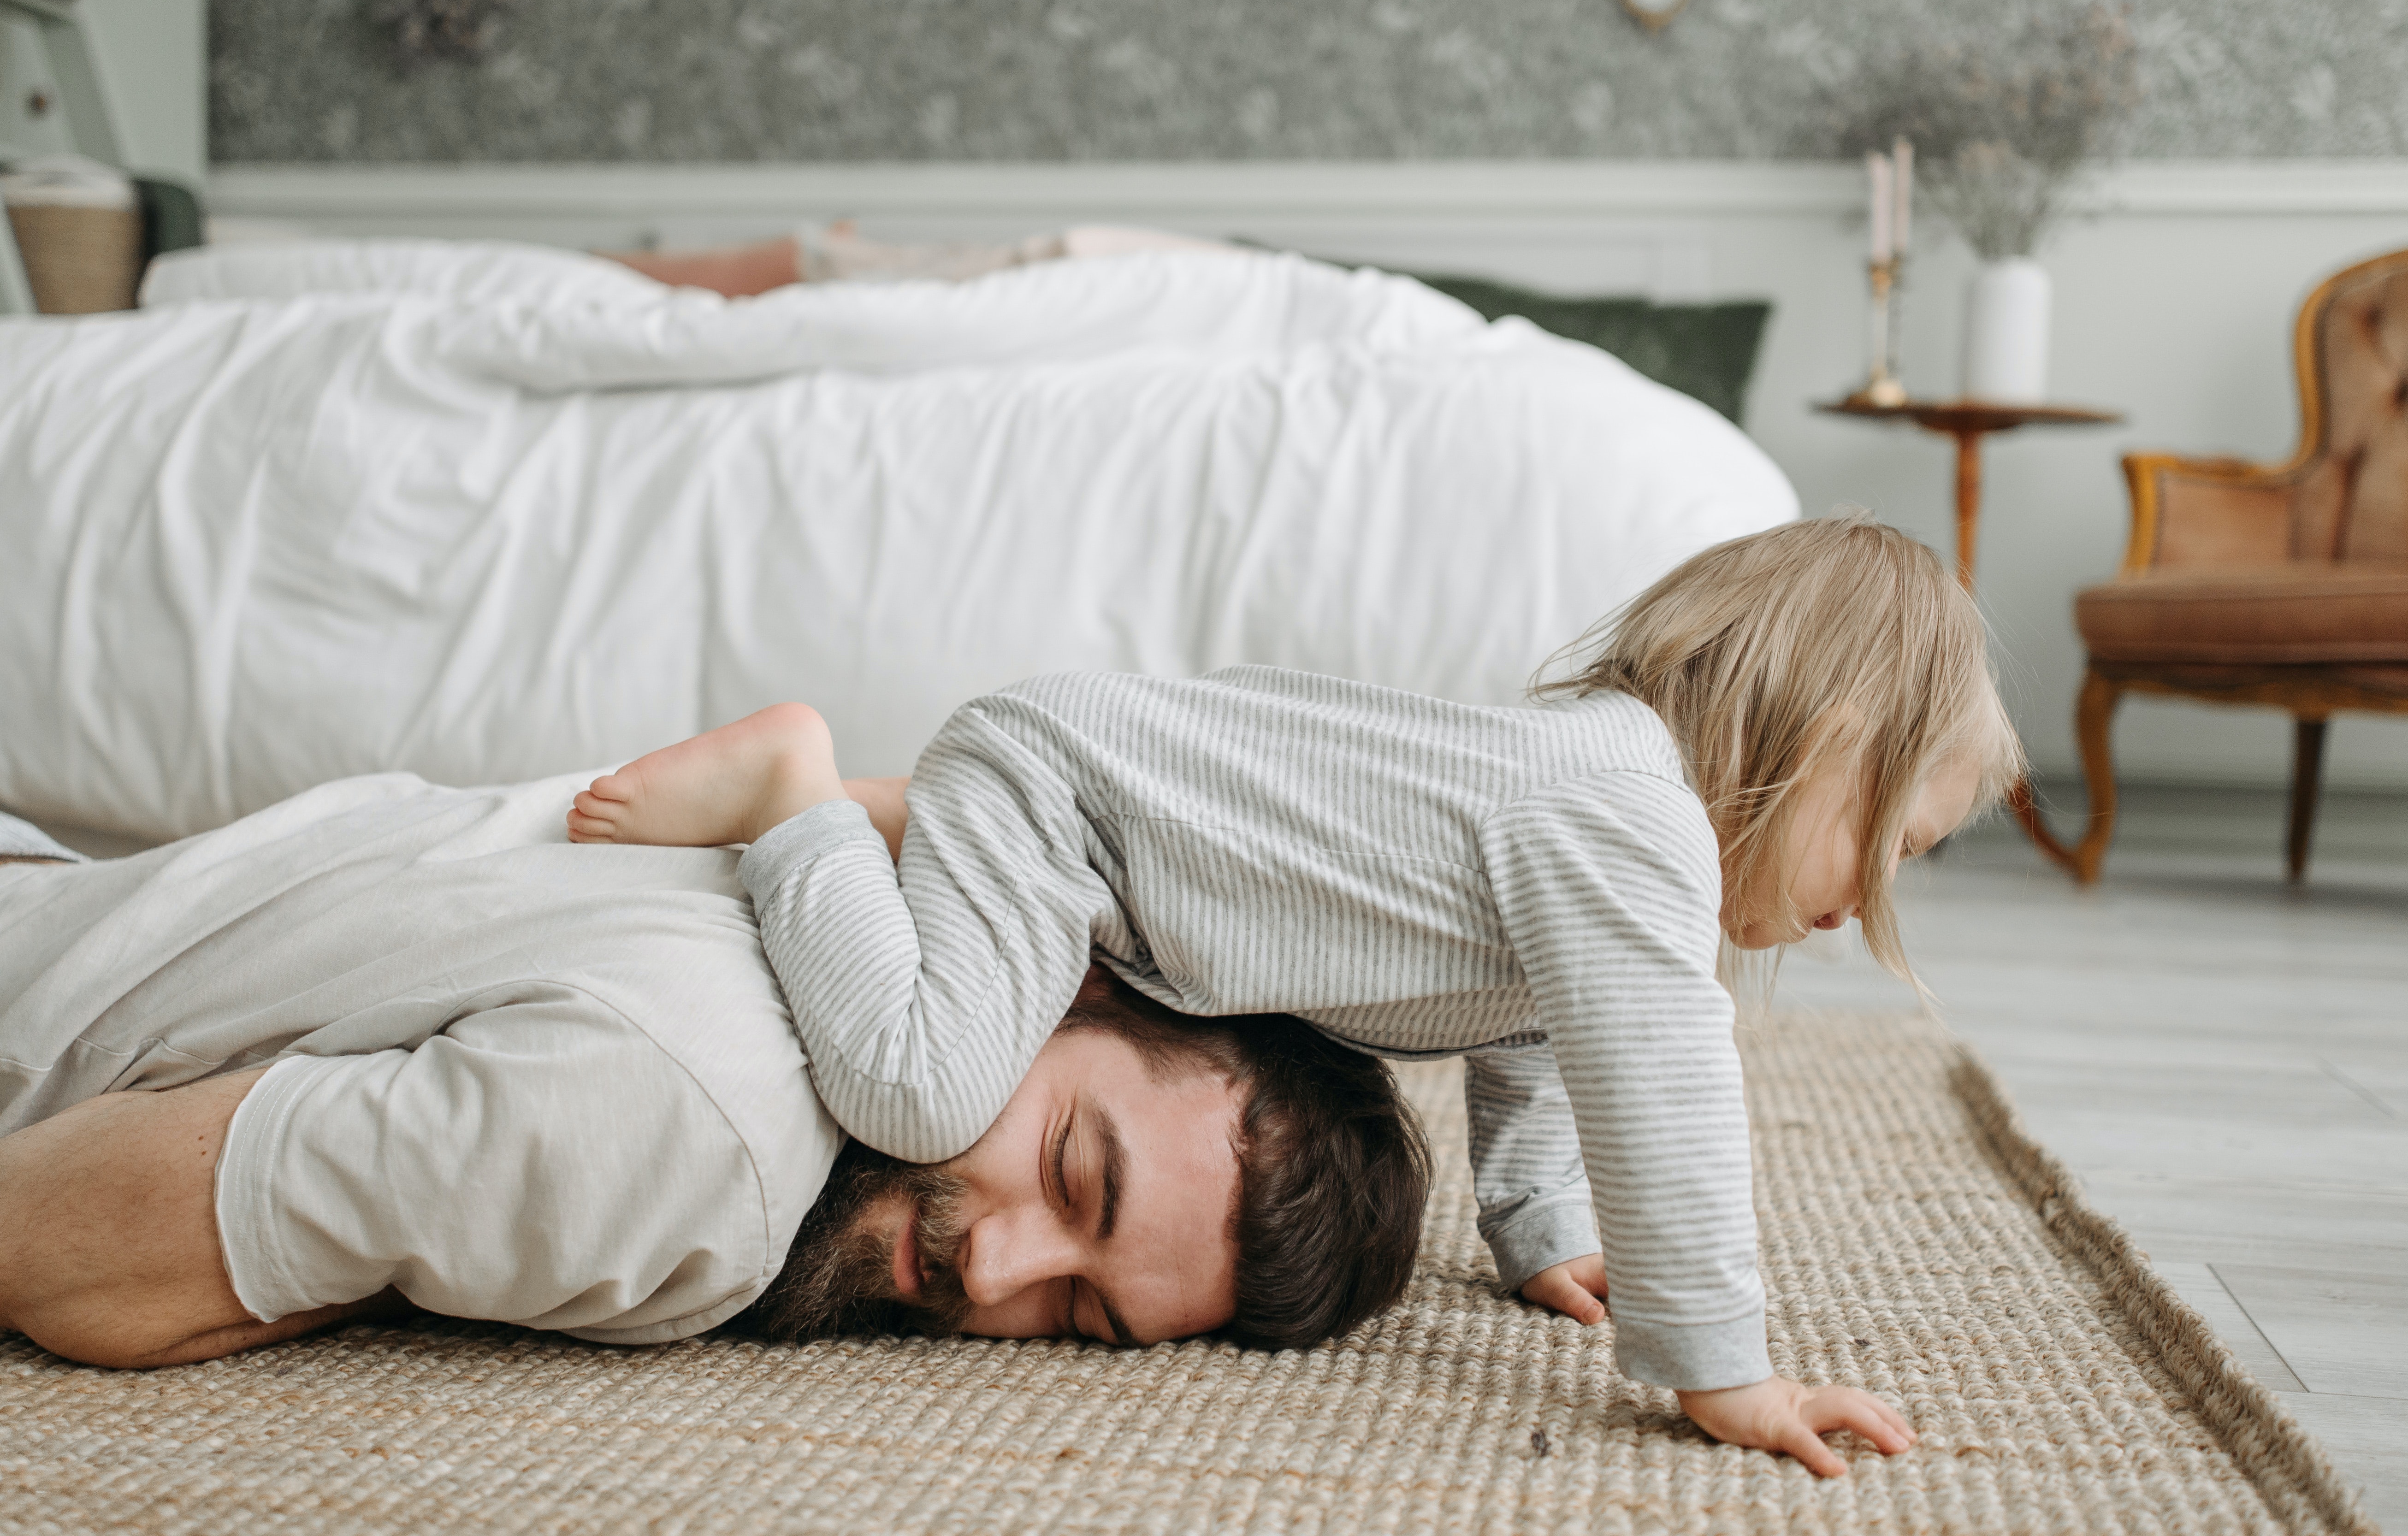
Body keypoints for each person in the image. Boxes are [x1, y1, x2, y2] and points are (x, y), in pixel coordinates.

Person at [568, 514, 2020, 1477]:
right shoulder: (1630, 819)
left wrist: (1542, 1232)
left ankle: (907, 824)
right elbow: (1665, 1082)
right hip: (1064, 805)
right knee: (918, 1084)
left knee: (957, 1030)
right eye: (1889, 846)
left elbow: (1539, 1039)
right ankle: (798, 802)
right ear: (1824, 745)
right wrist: (1722, 1368)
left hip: (1104, 841)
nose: (1856, 906)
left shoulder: (1597, 813)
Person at [0, 774, 1427, 1370]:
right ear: (1071, 979)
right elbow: (44, 1249)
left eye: (1081, 1319)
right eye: (1070, 1170)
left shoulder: (813, 880)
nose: (994, 1272)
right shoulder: (704, 1146)